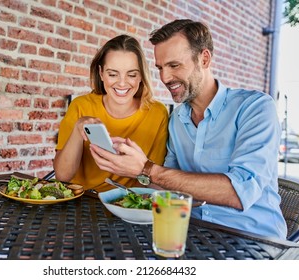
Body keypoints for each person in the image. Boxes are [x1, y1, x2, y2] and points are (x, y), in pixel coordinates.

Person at [90, 19, 287, 239]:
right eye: (160, 68)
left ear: (204, 59)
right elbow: (165, 187)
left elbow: (239, 193)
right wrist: (126, 163)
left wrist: (146, 169)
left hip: (252, 239)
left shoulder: (255, 108)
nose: (164, 77)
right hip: (190, 233)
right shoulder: (176, 120)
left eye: (174, 65)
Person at [54, 34, 168, 192]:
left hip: (129, 204)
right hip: (83, 201)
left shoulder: (158, 113)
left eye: (132, 74)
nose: (122, 83)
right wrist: (78, 129)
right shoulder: (80, 106)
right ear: (101, 73)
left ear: (141, 75)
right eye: (113, 74)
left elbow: (154, 181)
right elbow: (62, 176)